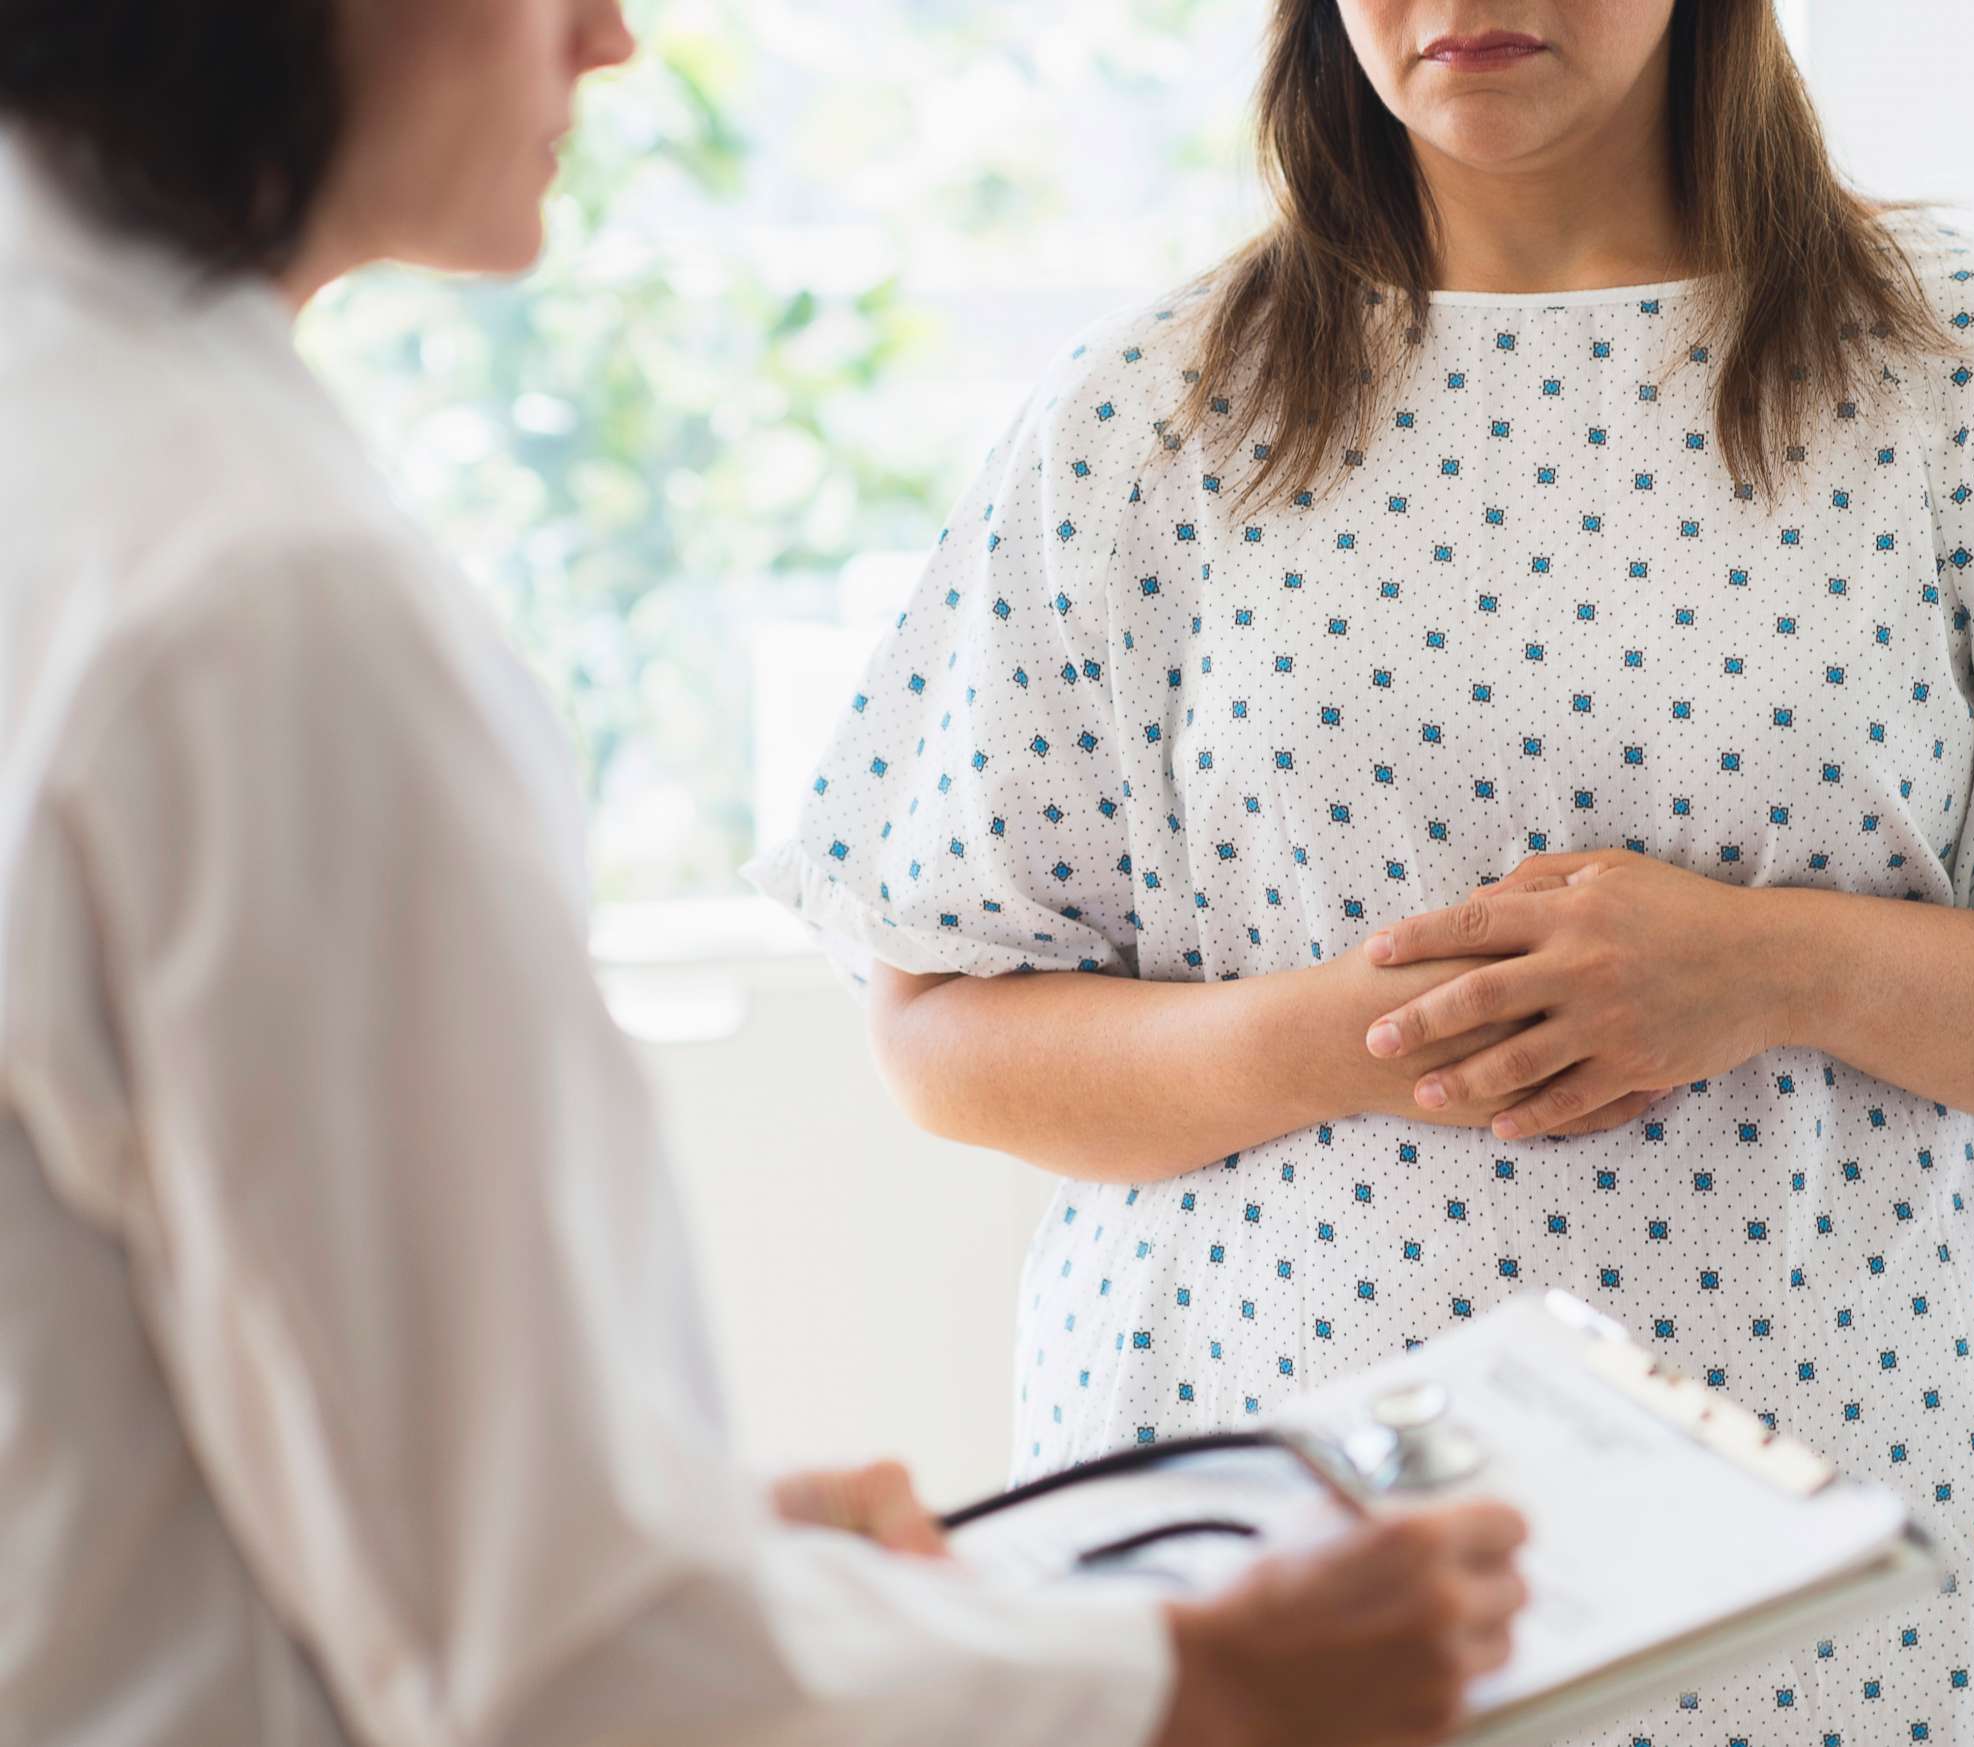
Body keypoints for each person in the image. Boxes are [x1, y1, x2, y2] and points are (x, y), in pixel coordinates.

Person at [754, 1, 1974, 1741]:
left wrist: (1770, 967)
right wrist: (1357, 1035)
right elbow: (942, 1023)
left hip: (1874, 1577)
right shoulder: (1149, 413)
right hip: (1290, 1578)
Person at [0, 2, 1534, 1745]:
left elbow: (174, 1428)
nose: (610, 39)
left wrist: (708, 1561)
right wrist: (1199, 1684)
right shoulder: (259, 603)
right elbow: (566, 1665)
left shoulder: (86, 470)